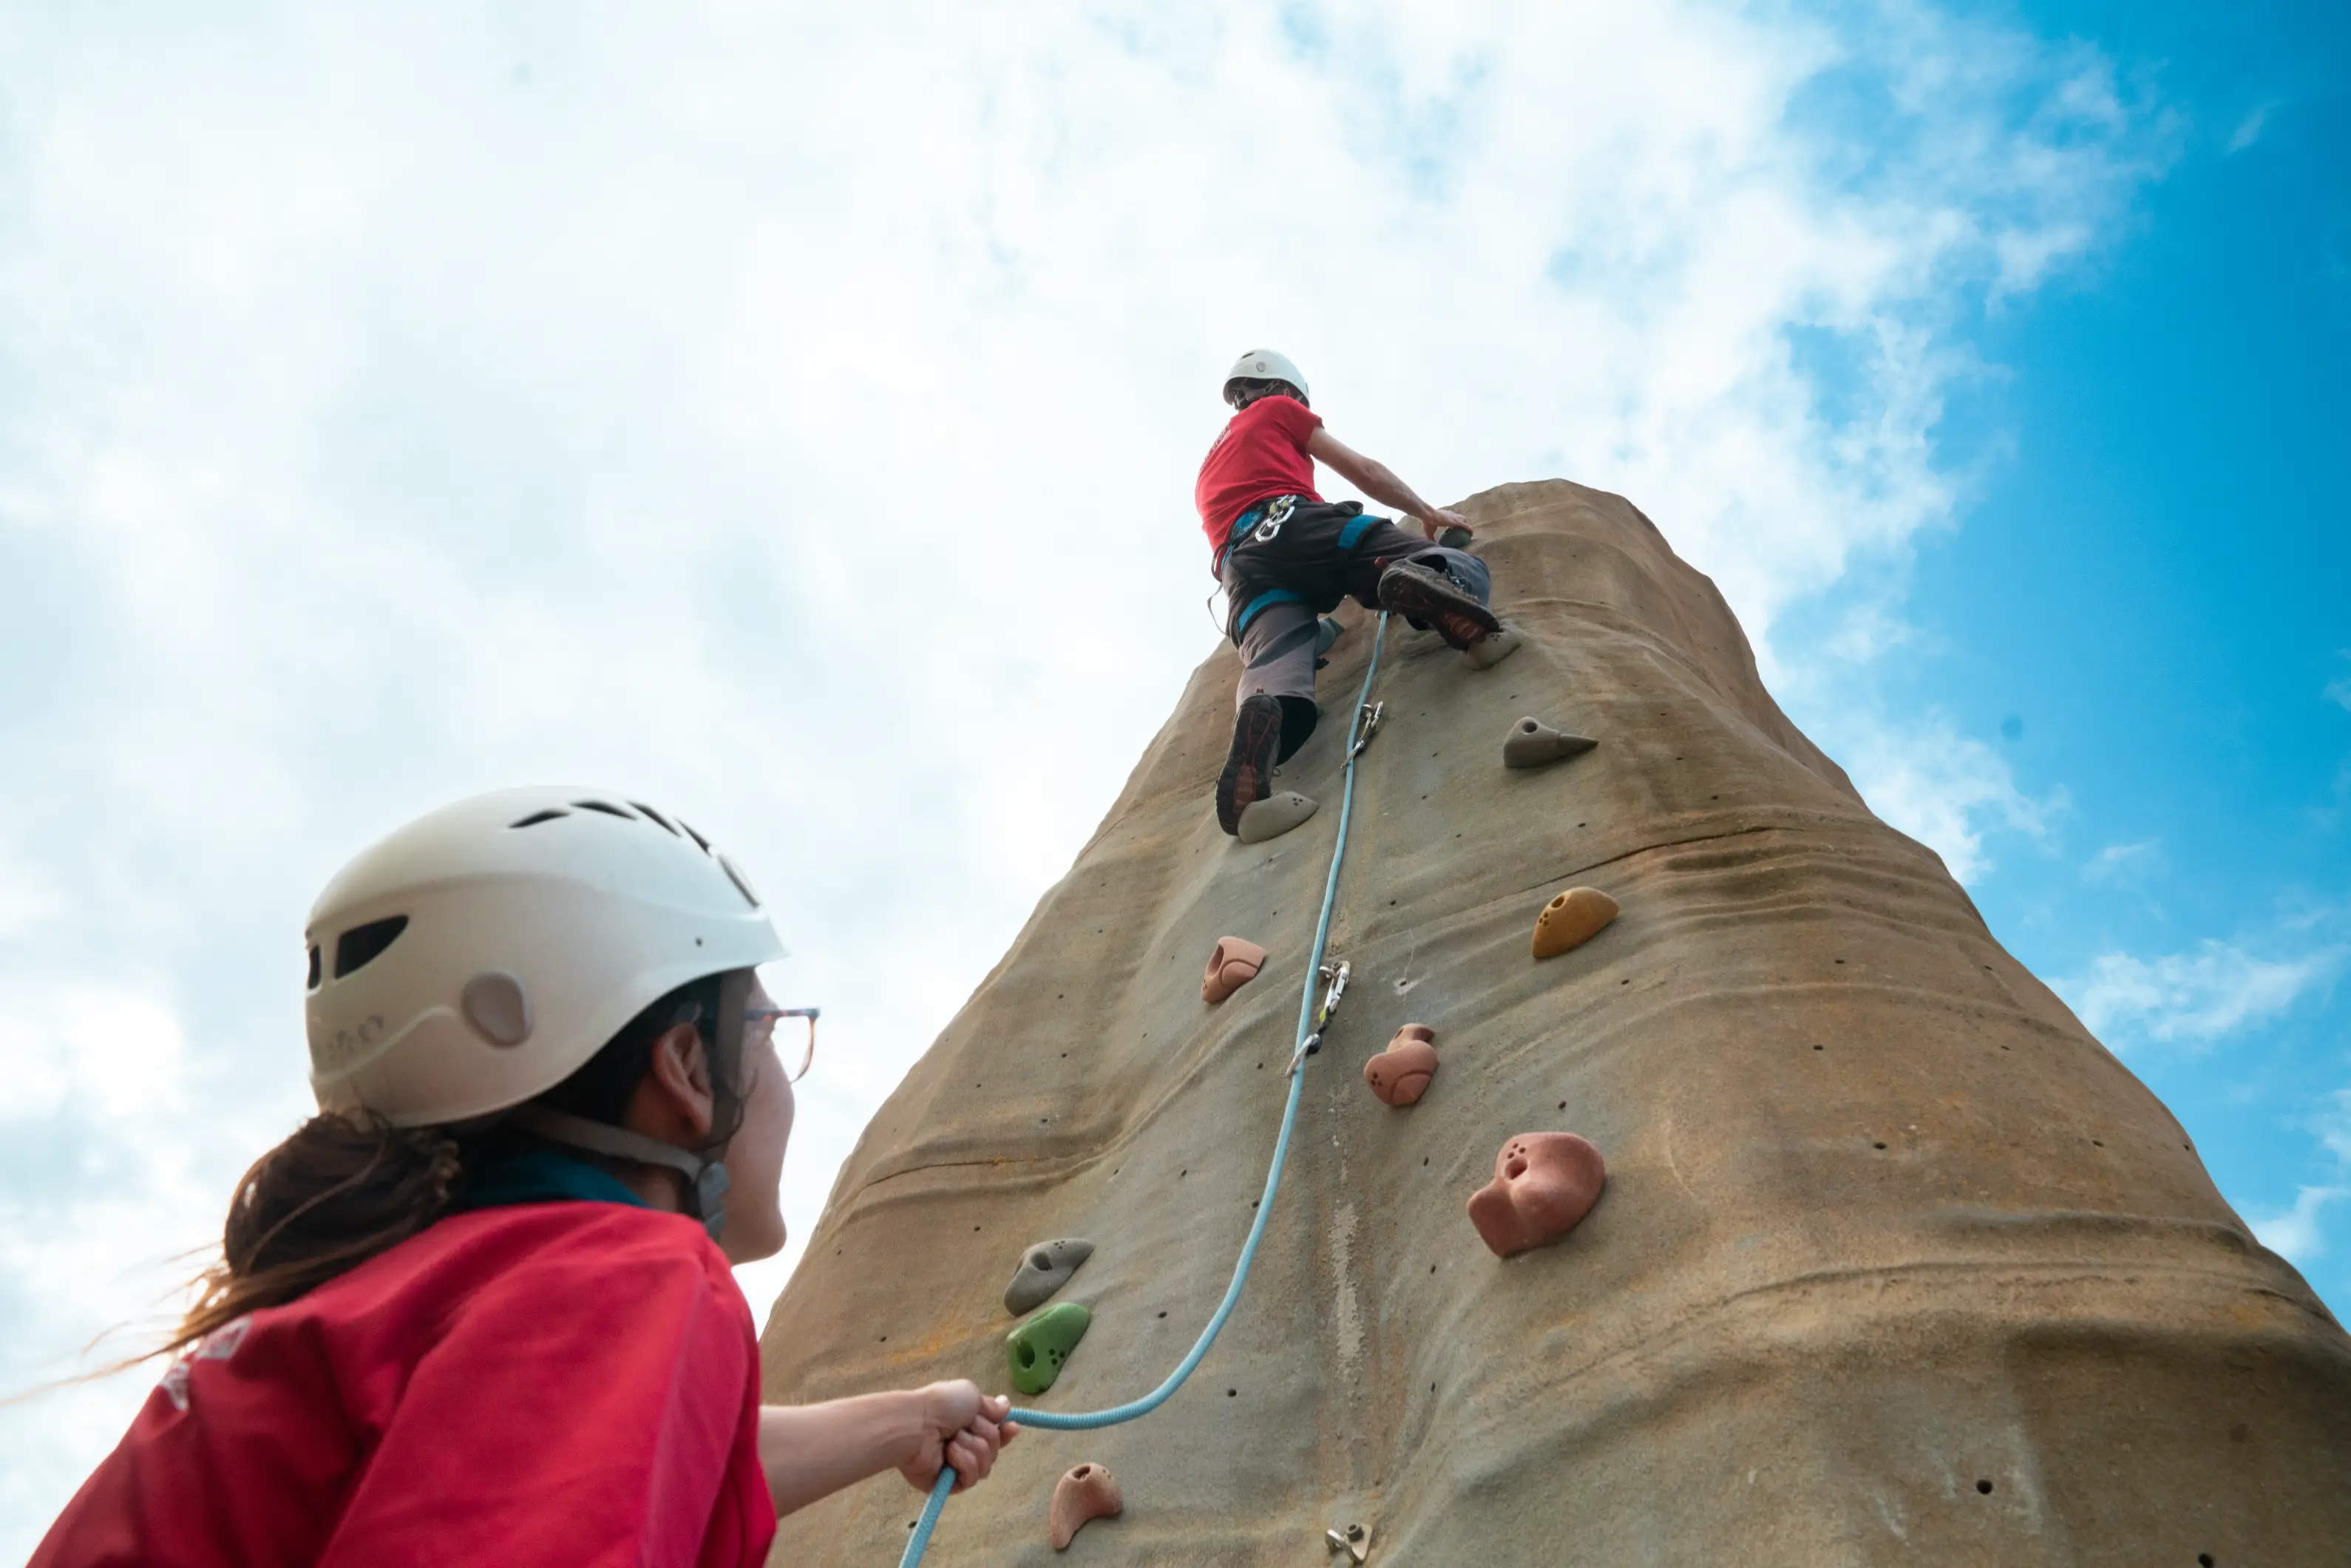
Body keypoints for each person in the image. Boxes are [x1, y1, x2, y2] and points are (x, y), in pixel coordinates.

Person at [29, 787, 1016, 1567]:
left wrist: (906, 1419)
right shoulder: (624, 1271)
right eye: (765, 1026)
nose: (782, 1065)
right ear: (683, 1067)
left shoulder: (414, 1291)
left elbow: (602, 1460)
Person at [1196, 348, 1514, 837]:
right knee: (1410, 558)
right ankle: (1429, 586)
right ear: (1287, 389)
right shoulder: (1277, 409)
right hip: (1295, 522)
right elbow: (1363, 470)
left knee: (1274, 663)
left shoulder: (1207, 470)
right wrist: (1427, 512)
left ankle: (1255, 766)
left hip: (1242, 572)